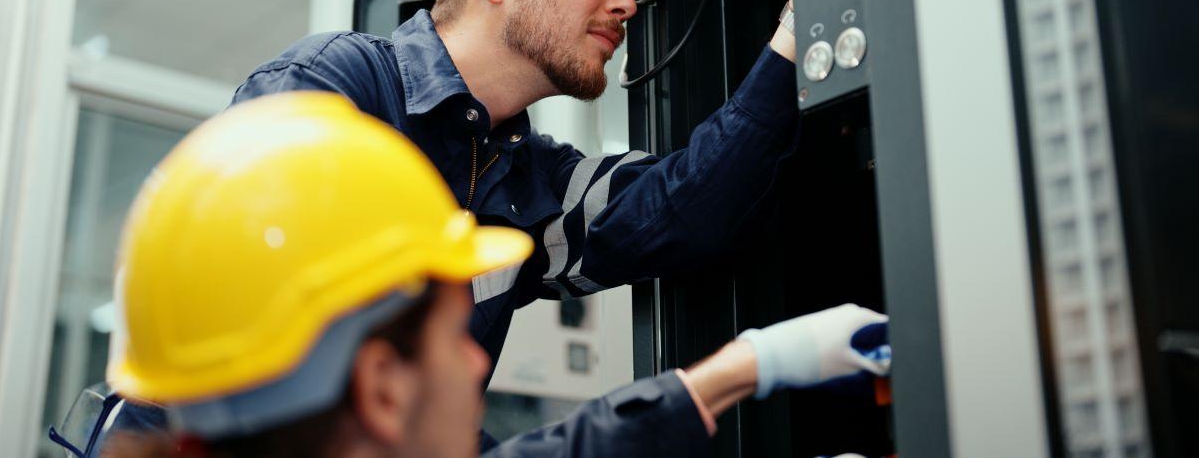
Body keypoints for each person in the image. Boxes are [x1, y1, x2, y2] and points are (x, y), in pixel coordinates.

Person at [228, 0, 807, 445]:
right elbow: (296, 395)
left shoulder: (527, 179)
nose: (627, 2)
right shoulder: (335, 90)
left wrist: (795, 41)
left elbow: (683, 207)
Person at [78, 92, 888, 458]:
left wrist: (752, 364)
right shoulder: (342, 80)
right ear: (383, 388)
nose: (477, 356)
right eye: (449, 334)